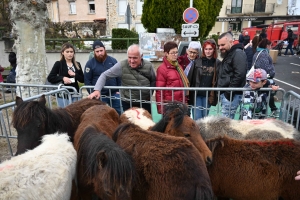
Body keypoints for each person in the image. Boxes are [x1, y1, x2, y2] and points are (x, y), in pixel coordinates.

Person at [87, 44, 156, 114]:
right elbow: (104, 75)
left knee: (146, 123)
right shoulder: (121, 65)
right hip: (128, 103)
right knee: (129, 123)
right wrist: (97, 90)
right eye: (129, 57)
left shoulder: (148, 65)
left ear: (141, 56)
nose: (132, 61)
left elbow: (153, 80)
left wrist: (150, 94)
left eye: (135, 58)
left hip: (145, 102)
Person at [84, 40, 121, 115]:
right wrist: (92, 93)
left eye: (101, 50)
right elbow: (87, 81)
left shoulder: (113, 61)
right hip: (99, 96)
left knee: (118, 114)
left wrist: (119, 90)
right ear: (94, 52)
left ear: (105, 49)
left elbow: (119, 76)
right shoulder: (90, 64)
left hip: (114, 94)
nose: (100, 53)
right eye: (97, 51)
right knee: (100, 116)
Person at [187, 39, 221, 120]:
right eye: (206, 49)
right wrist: (188, 94)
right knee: (197, 117)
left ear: (214, 50)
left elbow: (218, 79)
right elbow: (190, 78)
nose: (208, 51)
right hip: (197, 94)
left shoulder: (217, 63)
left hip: (208, 95)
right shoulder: (197, 62)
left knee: (205, 118)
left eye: (210, 49)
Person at [217, 32, 247, 119]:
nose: (220, 47)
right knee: (226, 123)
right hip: (228, 95)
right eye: (219, 45)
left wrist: (229, 92)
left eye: (223, 44)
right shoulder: (230, 54)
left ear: (231, 42)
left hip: (231, 96)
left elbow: (240, 74)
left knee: (226, 123)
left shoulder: (237, 53)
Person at [156, 41, 189, 114]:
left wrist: (185, 101)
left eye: (176, 52)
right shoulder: (162, 69)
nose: (175, 55)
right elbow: (159, 91)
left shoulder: (178, 66)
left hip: (181, 104)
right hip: (170, 106)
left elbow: (183, 86)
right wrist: (161, 108)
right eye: (172, 53)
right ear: (166, 54)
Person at [47, 43, 84, 108]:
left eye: (71, 52)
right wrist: (63, 78)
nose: (70, 54)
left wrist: (75, 74)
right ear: (62, 53)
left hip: (75, 93)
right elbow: (50, 77)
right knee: (64, 114)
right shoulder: (58, 64)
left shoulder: (77, 64)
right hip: (63, 94)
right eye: (67, 52)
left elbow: (82, 79)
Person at [252, 38, 278, 117]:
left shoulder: (257, 53)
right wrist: (272, 73)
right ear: (267, 45)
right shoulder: (264, 54)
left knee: (262, 97)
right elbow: (266, 69)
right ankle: (266, 112)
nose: (271, 47)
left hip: (257, 79)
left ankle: (267, 110)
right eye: (270, 45)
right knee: (265, 96)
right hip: (262, 79)